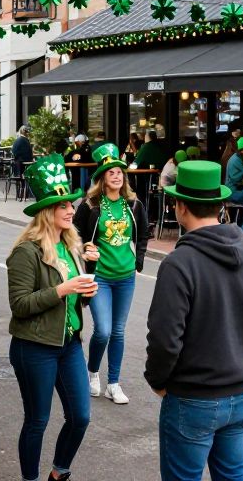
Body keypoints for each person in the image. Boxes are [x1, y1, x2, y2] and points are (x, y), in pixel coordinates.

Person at [145, 159, 243, 481]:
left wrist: (159, 381)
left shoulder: (180, 263)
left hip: (192, 396)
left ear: (180, 207)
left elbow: (165, 338)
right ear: (219, 205)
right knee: (233, 475)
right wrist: (239, 358)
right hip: (241, 392)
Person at [7, 154, 95, 481]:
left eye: (71, 205)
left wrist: (84, 292)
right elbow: (20, 304)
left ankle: (59, 472)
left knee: (81, 416)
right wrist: (62, 290)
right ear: (48, 212)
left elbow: (73, 300)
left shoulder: (71, 246)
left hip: (69, 342)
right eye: (64, 207)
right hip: (34, 347)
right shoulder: (25, 252)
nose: (72, 210)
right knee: (38, 420)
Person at [73, 143, 149, 406]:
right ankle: (93, 372)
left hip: (125, 276)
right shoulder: (90, 205)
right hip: (100, 277)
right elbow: (74, 234)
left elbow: (144, 234)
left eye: (120, 172)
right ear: (102, 178)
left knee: (118, 332)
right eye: (111, 173)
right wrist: (84, 248)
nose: (117, 176)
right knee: (103, 330)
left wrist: (138, 262)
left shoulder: (134, 204)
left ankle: (113, 383)